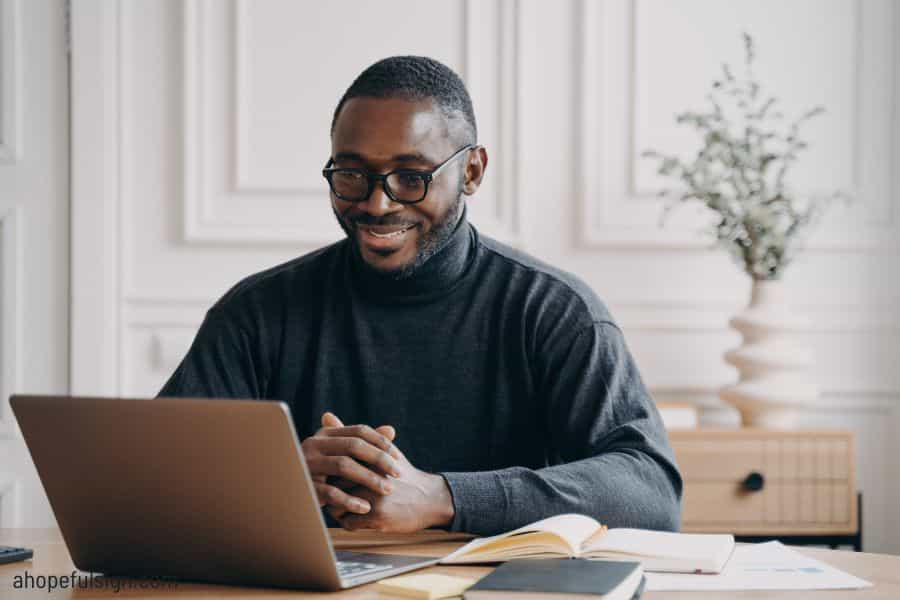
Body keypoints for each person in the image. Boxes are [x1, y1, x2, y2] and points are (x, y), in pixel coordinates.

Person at [159, 56, 682, 536]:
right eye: (352, 174)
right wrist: (279, 479)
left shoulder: (553, 311)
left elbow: (651, 492)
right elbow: (153, 479)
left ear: (471, 171)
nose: (378, 203)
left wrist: (443, 498)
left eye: (411, 177)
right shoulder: (256, 313)